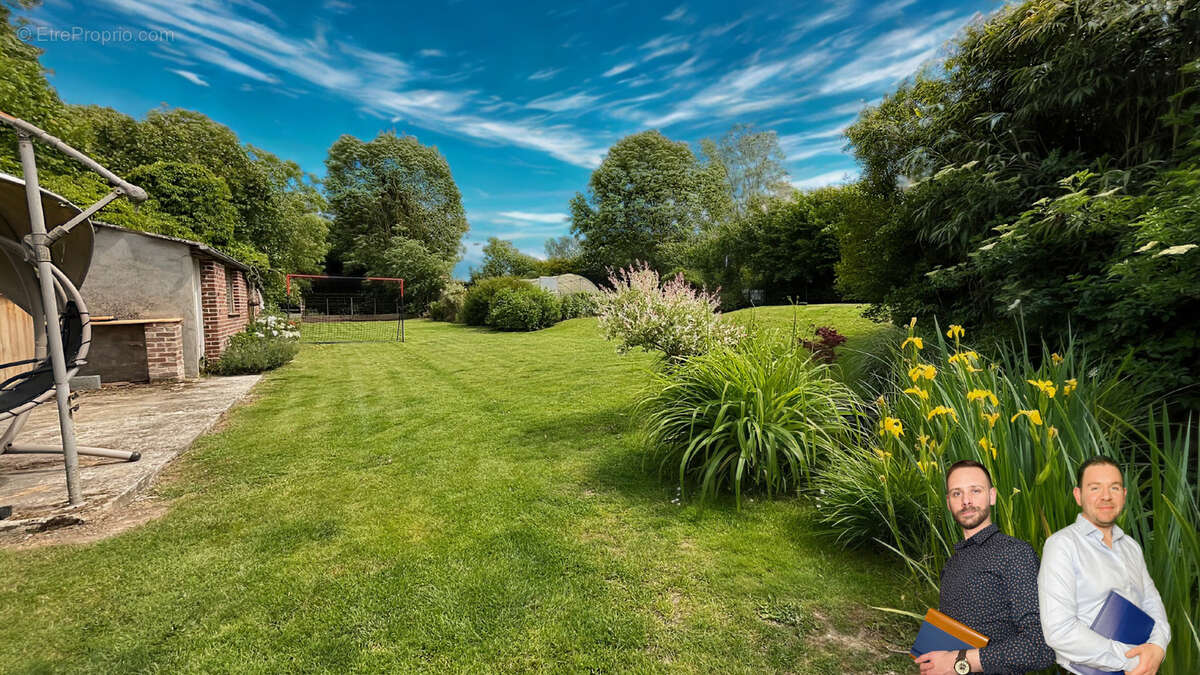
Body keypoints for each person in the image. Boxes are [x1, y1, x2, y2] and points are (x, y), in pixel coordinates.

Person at [917, 460, 1054, 675]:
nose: (966, 501)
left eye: (975, 490)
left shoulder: (1015, 553)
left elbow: (1041, 645)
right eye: (956, 493)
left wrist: (958, 661)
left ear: (992, 496)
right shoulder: (952, 564)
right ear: (948, 502)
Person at [1038, 456, 1171, 675]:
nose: (1106, 496)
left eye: (1114, 488)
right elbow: (1059, 631)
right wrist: (1132, 660)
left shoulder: (1131, 547)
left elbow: (1152, 602)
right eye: (1095, 488)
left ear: (1124, 495)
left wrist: (1157, 648)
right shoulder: (1061, 545)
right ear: (1078, 496)